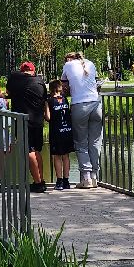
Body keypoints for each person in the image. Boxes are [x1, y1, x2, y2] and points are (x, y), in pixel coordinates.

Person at [5, 61, 49, 193]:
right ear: (33, 71)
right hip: (38, 120)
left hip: (23, 121)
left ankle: (38, 183)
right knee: (36, 150)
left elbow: (8, 92)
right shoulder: (40, 81)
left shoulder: (14, 78)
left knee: (28, 151)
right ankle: (40, 180)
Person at [62, 50, 103, 188]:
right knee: (95, 141)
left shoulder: (67, 66)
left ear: (70, 59)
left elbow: (64, 86)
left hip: (80, 105)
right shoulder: (90, 63)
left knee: (81, 142)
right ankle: (95, 176)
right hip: (96, 104)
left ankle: (86, 178)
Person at [47, 78, 74, 188]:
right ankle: (66, 181)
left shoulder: (49, 101)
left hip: (56, 131)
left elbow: (48, 117)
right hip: (67, 130)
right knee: (66, 156)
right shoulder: (64, 99)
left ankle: (59, 181)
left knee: (57, 156)